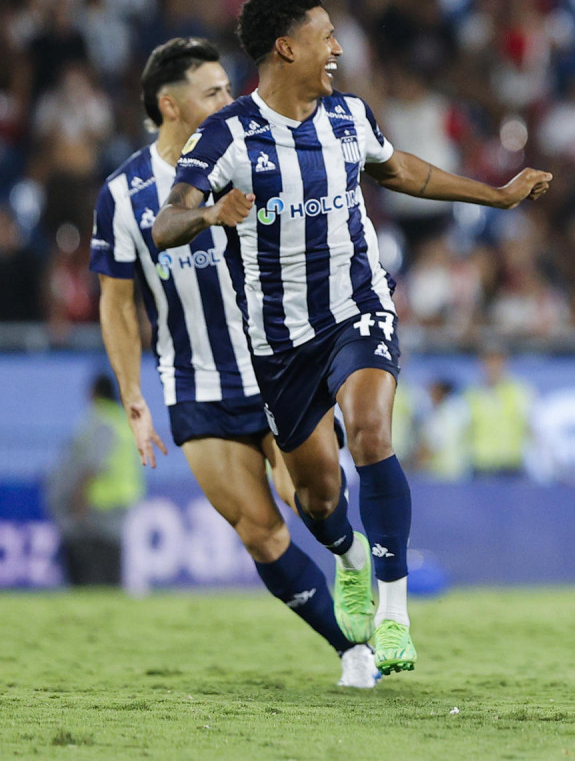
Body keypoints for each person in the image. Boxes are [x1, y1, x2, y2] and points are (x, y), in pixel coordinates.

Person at [152, 0, 551, 675]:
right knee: (317, 495)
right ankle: (351, 557)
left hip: (358, 307)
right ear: (286, 47)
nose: (337, 49)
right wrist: (211, 217)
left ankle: (393, 612)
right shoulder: (227, 135)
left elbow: (401, 171)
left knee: (371, 430)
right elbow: (166, 223)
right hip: (279, 342)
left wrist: (495, 193)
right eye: (325, 36)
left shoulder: (349, 117)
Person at [91, 37, 380, 687]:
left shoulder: (254, 154)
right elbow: (116, 303)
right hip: (195, 384)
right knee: (259, 530)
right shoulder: (124, 194)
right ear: (170, 105)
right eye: (213, 91)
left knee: (311, 497)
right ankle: (352, 648)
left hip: (273, 366)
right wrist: (135, 399)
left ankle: (350, 552)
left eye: (229, 87)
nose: (230, 98)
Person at [44, 372, 144, 586]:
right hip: (120, 499)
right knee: (109, 558)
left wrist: (79, 495)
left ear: (94, 393)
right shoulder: (122, 420)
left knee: (91, 561)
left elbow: (94, 464)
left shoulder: (101, 420)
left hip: (100, 503)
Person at [463, 344, 534, 480]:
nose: (493, 367)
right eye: (488, 361)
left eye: (498, 361)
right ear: (480, 364)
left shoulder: (520, 391)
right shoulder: (470, 394)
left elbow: (530, 427)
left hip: (512, 465)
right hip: (481, 466)